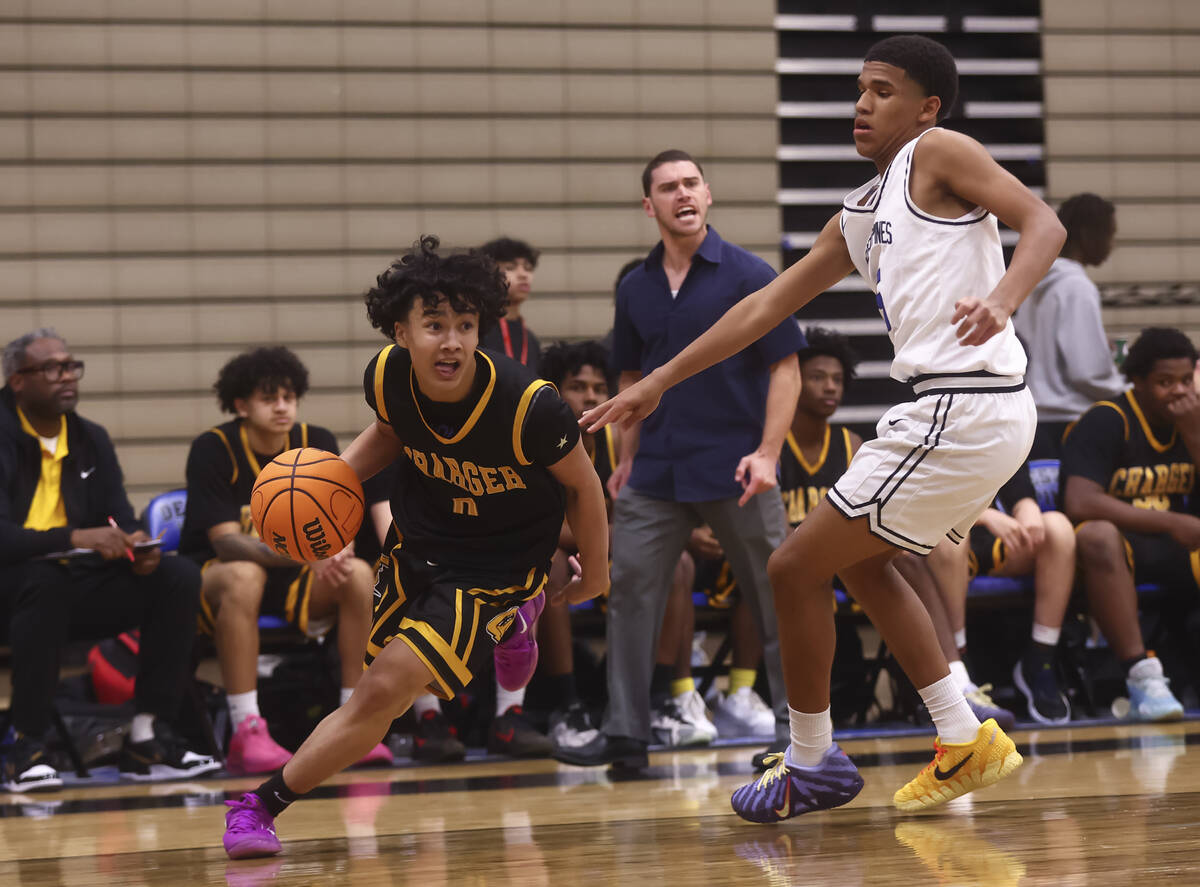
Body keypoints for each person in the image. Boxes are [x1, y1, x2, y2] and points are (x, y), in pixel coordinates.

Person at [583, 35, 1066, 821]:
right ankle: (960, 733)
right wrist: (660, 381)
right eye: (859, 90)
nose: (862, 105)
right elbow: (762, 309)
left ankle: (812, 758)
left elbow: (1043, 222)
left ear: (927, 108)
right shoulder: (861, 212)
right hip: (953, 409)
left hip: (962, 401)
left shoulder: (940, 151)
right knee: (862, 564)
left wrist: (1004, 299)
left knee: (791, 566)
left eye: (882, 90)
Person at [221, 235, 609, 859]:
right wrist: (328, 489)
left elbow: (586, 491)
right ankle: (516, 627)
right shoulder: (387, 377)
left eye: (465, 324)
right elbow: (388, 432)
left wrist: (596, 576)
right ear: (400, 332)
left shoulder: (529, 405)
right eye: (433, 324)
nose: (451, 340)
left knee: (379, 691)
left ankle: (259, 806)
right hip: (420, 544)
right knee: (393, 696)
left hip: (499, 565)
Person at [559, 149, 804, 769]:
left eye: (692, 183)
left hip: (738, 467)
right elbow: (633, 375)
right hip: (655, 470)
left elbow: (785, 369)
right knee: (631, 591)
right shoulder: (634, 286)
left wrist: (770, 452)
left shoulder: (749, 274)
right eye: (669, 187)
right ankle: (627, 735)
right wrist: (625, 457)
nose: (683, 194)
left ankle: (797, 733)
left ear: (709, 195)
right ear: (650, 206)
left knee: (776, 594)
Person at [0, 328, 219, 791]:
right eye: (52, 369)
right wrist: (74, 535)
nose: (67, 377)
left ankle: (147, 735)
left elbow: (117, 516)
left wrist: (134, 548)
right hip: (13, 587)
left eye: (71, 367)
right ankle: (27, 745)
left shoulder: (90, 438)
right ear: (17, 381)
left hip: (71, 587)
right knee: (45, 578)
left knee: (176, 576)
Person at [179, 347, 387, 775]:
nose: (282, 407)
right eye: (269, 398)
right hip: (217, 582)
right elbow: (225, 544)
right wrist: (306, 553)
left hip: (297, 583)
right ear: (241, 404)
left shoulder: (318, 442)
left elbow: (340, 524)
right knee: (243, 575)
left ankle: (353, 721)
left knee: (360, 574)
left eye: (289, 397)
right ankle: (246, 729)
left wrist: (336, 548)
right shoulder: (213, 449)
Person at [1060, 327, 1198, 721]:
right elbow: (1080, 501)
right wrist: (1171, 521)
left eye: (1186, 380)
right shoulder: (1108, 419)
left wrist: (1193, 431)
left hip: (1176, 547)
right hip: (1119, 547)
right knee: (1098, 535)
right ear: (1137, 380)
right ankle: (1143, 677)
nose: (1178, 391)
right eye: (1165, 382)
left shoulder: (1194, 418)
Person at [1015, 193, 1126, 459]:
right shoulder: (1077, 286)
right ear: (1088, 235)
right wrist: (1127, 387)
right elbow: (1087, 372)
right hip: (1073, 420)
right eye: (1109, 234)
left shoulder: (1035, 281)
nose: (1112, 244)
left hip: (1035, 419)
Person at [479, 237, 542, 369]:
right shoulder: (477, 330)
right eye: (510, 267)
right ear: (487, 274)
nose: (523, 274)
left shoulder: (532, 340)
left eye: (528, 268)